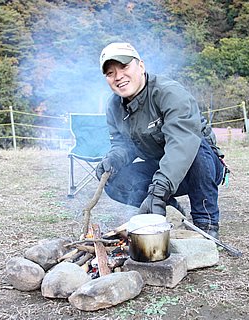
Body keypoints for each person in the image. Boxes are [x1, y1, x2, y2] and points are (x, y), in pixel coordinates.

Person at [95, 42, 226, 239]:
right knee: (114, 181)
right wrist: (113, 159)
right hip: (160, 165)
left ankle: (205, 221)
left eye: (124, 67)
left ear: (141, 66)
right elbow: (123, 144)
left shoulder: (169, 93)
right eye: (110, 73)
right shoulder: (114, 106)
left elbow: (181, 144)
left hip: (200, 166)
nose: (118, 76)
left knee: (196, 149)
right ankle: (168, 209)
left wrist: (159, 189)